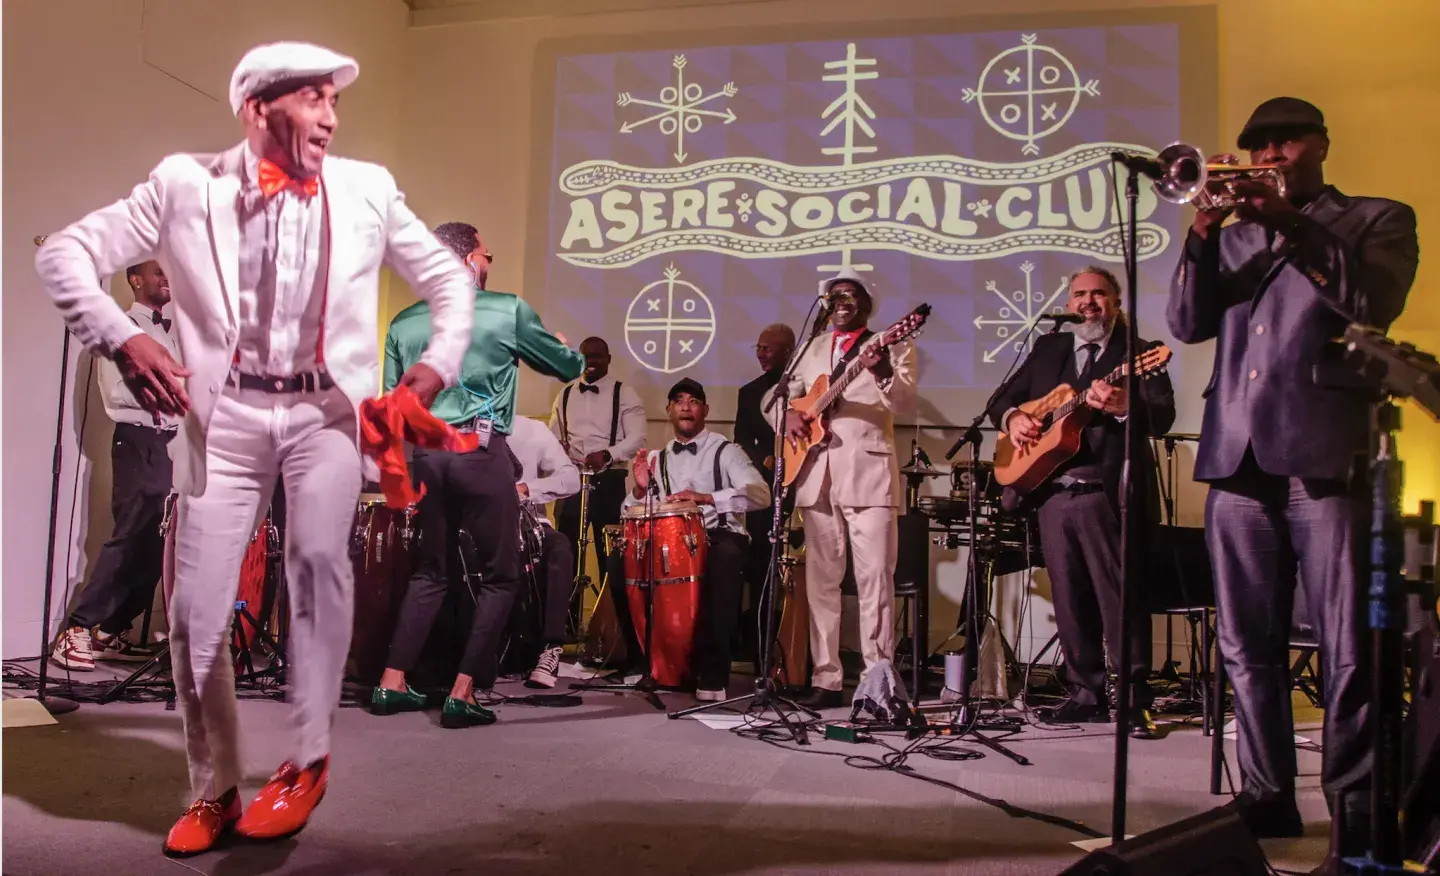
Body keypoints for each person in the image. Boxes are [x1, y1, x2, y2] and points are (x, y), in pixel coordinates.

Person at [34, 42, 475, 857]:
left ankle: (306, 761)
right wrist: (123, 334)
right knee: (194, 616)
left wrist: (430, 369)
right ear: (255, 107)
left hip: (326, 417)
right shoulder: (181, 184)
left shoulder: (367, 187)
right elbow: (62, 252)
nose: (332, 116)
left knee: (314, 567)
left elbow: (449, 281)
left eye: (335, 100)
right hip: (225, 421)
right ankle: (213, 791)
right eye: (313, 98)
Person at [1167, 96, 1418, 871]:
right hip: (1235, 451)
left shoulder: (1375, 217)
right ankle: (1266, 794)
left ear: (1320, 144)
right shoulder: (1231, 231)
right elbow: (1185, 322)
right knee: (1247, 645)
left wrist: (1288, 220)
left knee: (1348, 650)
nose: (1267, 154)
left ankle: (1353, 814)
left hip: (1324, 451)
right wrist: (1202, 234)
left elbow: (1370, 303)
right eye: (1256, 145)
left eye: (1283, 141)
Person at [369, 223, 582, 726]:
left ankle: (390, 684)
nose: (491, 262)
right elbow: (569, 367)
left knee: (431, 572)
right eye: (487, 255)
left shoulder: (402, 323)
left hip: (427, 457)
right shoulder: (506, 309)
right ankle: (462, 693)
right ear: (468, 261)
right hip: (479, 452)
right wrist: (559, 346)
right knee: (501, 576)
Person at [989, 265, 1175, 739]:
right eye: (1079, 296)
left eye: (1099, 294)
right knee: (1069, 599)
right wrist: (1014, 420)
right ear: (1069, 305)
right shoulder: (1050, 347)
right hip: (1052, 492)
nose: (1088, 303)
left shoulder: (1139, 351)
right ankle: (1086, 694)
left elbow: (1164, 415)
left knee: (1119, 600)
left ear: (1116, 302)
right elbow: (1002, 400)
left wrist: (1123, 405)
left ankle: (1132, 700)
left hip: (1105, 494)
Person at [782, 268, 915, 709]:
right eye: (835, 294)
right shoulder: (811, 347)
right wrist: (787, 418)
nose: (842, 300)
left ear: (866, 304)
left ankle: (877, 679)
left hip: (869, 477)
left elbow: (904, 403)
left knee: (875, 579)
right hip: (815, 473)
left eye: (851, 294)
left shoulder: (895, 343)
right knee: (821, 583)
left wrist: (880, 374)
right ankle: (826, 676)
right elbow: (778, 400)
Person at [605, 378, 770, 699]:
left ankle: (712, 672)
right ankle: (644, 661)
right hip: (669, 544)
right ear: (668, 410)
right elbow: (632, 512)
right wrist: (639, 490)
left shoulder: (727, 452)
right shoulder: (656, 458)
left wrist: (708, 498)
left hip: (718, 536)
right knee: (618, 561)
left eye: (693, 400)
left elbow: (760, 494)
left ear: (705, 410)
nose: (685, 405)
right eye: (678, 400)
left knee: (724, 559)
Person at [51, 261, 179, 670]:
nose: (167, 278)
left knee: (162, 547)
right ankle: (76, 629)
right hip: (138, 439)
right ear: (135, 280)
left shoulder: (173, 332)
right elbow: (119, 392)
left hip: (173, 446)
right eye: (157, 272)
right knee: (129, 538)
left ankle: (110, 629)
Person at [549, 337, 646, 606]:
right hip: (571, 482)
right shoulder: (565, 393)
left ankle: (608, 623)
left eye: (597, 356)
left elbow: (638, 438)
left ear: (608, 359)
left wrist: (607, 454)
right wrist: (557, 447)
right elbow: (553, 435)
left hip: (609, 480)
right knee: (564, 552)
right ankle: (565, 624)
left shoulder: (624, 393)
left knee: (610, 555)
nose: (591, 362)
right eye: (586, 356)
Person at [733, 323, 796, 648]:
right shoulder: (749, 392)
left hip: (802, 487)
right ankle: (759, 642)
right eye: (757, 347)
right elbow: (741, 441)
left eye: (767, 348)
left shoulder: (805, 389)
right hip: (764, 491)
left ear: (788, 351)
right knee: (759, 563)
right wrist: (768, 459)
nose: (760, 354)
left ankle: (796, 641)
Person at [508, 413, 582, 689]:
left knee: (560, 547)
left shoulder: (532, 429)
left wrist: (529, 488)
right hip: (479, 524)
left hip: (529, 522)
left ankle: (550, 649)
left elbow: (571, 478)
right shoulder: (462, 427)